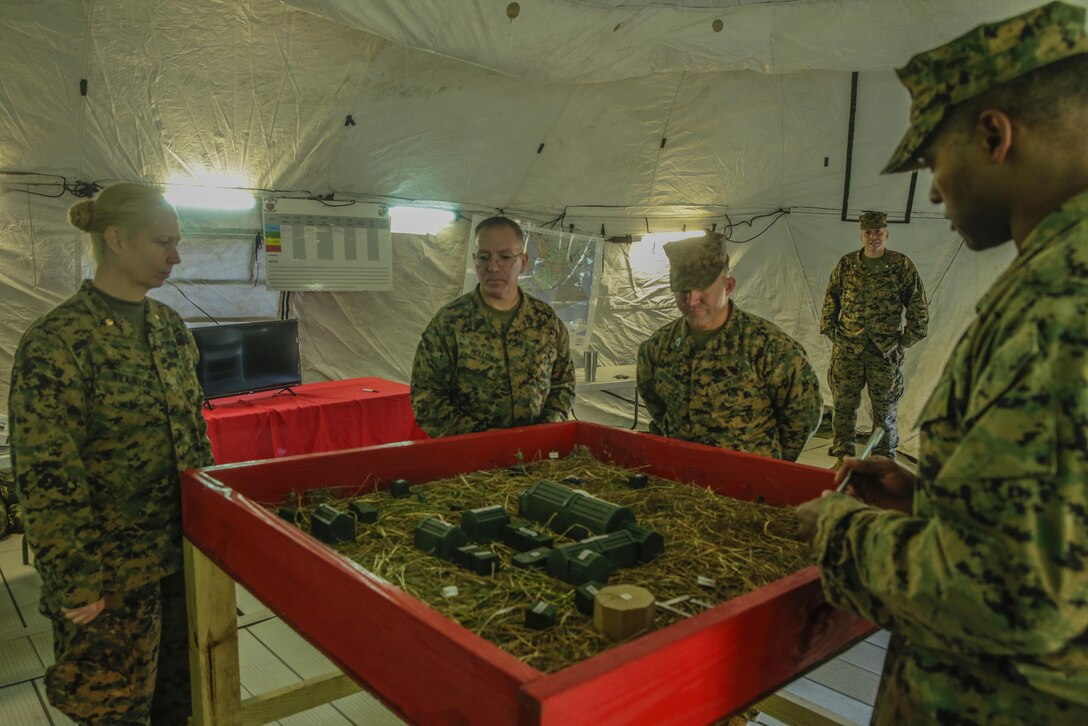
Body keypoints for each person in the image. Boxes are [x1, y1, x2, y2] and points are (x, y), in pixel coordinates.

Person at [797, 3, 1088, 722]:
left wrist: (838, 530)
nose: (931, 189)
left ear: (994, 134)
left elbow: (1016, 596)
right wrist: (938, 503)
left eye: (931, 160)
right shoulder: (1057, 273)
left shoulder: (1063, 301)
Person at [9, 183, 215, 724]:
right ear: (117, 239)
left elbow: (194, 438)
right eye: (163, 242)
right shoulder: (59, 341)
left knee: (182, 699)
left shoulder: (169, 329)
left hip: (179, 559)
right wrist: (75, 580)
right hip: (110, 579)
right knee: (113, 710)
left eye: (176, 242)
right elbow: (47, 471)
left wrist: (215, 536)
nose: (176, 257)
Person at [637, 234, 821, 461]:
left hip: (748, 485)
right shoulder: (657, 347)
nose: (692, 300)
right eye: (683, 290)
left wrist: (770, 466)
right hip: (681, 479)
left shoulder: (771, 347)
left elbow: (802, 418)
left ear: (729, 285)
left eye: (703, 288)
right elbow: (657, 407)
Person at [410, 216, 575, 437]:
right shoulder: (450, 323)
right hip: (472, 460)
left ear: (523, 262)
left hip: (538, 457)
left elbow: (563, 383)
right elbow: (427, 398)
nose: (493, 267)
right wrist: (483, 438)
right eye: (484, 257)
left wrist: (545, 430)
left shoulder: (545, 321)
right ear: (474, 260)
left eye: (505, 257)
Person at [820, 211, 928, 462]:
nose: (873, 237)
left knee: (885, 409)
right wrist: (832, 331)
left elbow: (917, 304)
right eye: (868, 232)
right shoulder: (847, 264)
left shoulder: (901, 265)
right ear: (862, 235)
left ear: (887, 234)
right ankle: (843, 456)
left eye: (878, 232)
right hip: (848, 349)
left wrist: (906, 341)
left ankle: (883, 458)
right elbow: (831, 298)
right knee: (844, 406)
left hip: (885, 351)